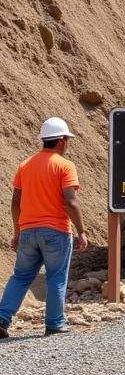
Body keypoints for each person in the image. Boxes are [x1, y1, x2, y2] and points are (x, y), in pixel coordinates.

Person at [0, 118, 88, 339]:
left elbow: (15, 203)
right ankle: (54, 323)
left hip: (28, 232)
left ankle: (1, 319)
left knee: (20, 276)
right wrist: (82, 231)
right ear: (60, 140)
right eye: (67, 139)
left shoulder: (25, 165)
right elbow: (71, 201)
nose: (67, 143)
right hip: (56, 231)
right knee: (56, 277)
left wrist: (17, 232)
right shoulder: (65, 166)